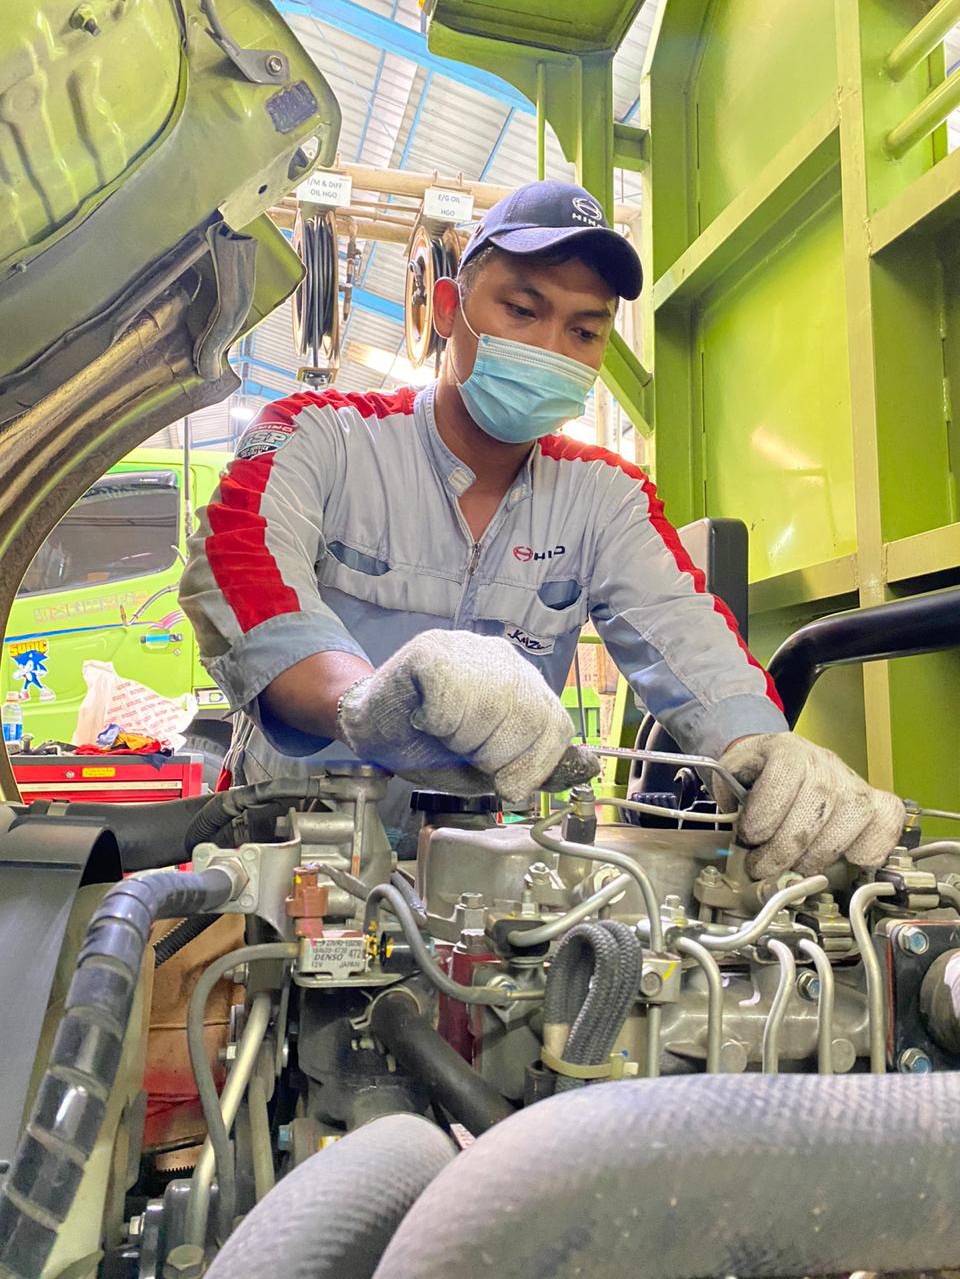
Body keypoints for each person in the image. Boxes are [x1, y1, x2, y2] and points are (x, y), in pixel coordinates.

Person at [180, 179, 904, 877]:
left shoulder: (605, 496)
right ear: (446, 309)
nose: (552, 347)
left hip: (471, 875)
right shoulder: (320, 435)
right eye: (523, 311)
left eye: (584, 331)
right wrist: (365, 700)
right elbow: (240, 572)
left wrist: (764, 749)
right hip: (286, 857)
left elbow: (685, 634)